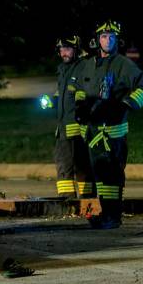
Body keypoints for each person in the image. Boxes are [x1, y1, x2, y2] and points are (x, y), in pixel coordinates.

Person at [75, 20, 143, 228]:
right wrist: (80, 106)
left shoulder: (124, 64)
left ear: (117, 40)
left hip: (113, 132)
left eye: (111, 37)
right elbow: (81, 88)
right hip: (92, 133)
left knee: (112, 176)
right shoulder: (89, 65)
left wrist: (125, 105)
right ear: (96, 40)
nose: (107, 40)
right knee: (100, 177)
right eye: (103, 36)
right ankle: (106, 214)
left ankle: (113, 216)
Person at [45, 35, 93, 198]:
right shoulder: (63, 70)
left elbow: (85, 96)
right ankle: (78, 201)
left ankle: (72, 203)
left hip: (76, 128)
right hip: (64, 128)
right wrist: (51, 102)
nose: (64, 53)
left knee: (73, 166)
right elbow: (62, 96)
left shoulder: (83, 67)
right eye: (61, 49)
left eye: (67, 49)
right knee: (73, 165)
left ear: (76, 50)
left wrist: (81, 120)